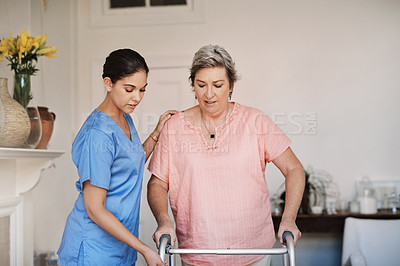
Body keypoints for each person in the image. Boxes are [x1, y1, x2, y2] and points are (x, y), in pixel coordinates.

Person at [147, 44, 305, 266]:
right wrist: (164, 221)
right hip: (197, 253)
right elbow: (157, 184)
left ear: (231, 85)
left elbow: (294, 169)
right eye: (201, 85)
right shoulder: (174, 127)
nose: (209, 94)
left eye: (217, 85)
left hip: (254, 250)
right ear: (193, 85)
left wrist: (289, 219)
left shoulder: (256, 121)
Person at [57, 48, 176, 266]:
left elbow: (130, 160)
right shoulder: (98, 134)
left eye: (142, 90)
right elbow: (95, 209)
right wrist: (144, 250)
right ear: (108, 83)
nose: (137, 98)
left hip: (119, 247)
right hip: (93, 250)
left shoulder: (124, 117)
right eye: (129, 89)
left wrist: (156, 133)